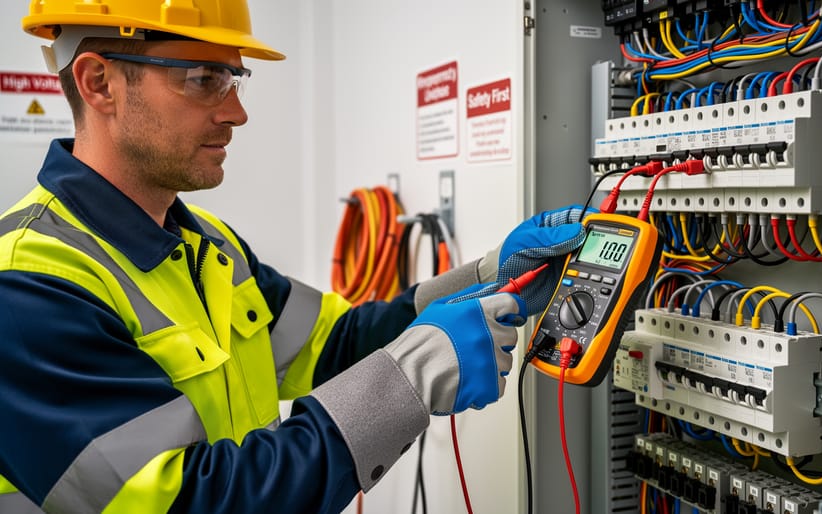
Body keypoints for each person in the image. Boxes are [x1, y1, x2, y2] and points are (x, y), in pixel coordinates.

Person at [0, 2, 589, 513]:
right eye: (204, 78)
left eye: (234, 78)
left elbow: (336, 343)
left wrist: (487, 277)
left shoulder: (211, 246)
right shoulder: (28, 285)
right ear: (99, 82)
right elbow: (199, 501)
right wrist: (413, 375)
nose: (237, 112)